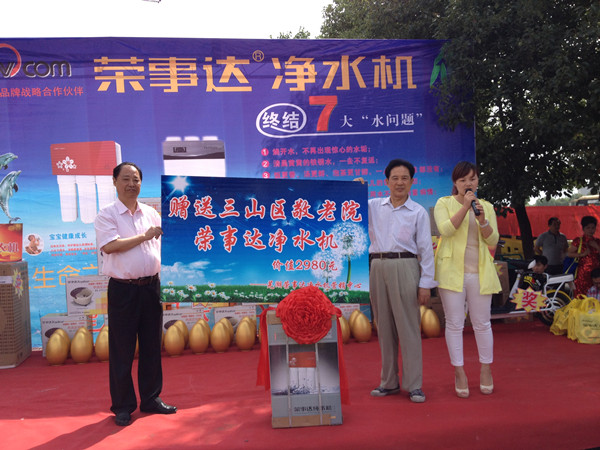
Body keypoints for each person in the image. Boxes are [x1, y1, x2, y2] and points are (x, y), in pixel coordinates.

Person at [94, 162, 176, 427]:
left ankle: (151, 399)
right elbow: (110, 246)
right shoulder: (107, 215)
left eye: (136, 179)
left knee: (152, 346)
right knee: (122, 349)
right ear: (115, 182)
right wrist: (144, 236)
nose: (132, 184)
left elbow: (167, 243)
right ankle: (123, 406)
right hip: (123, 290)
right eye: (126, 179)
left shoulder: (151, 213)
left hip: (151, 287)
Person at [367, 159, 437, 403]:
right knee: (384, 328)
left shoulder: (417, 212)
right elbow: (348, 207)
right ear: (386, 182)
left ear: (412, 182)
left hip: (406, 265)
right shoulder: (373, 206)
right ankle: (389, 382)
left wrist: (425, 283)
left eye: (404, 178)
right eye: (394, 178)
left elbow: (425, 250)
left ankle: (414, 384)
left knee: (408, 328)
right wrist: (355, 188)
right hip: (377, 266)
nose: (399, 182)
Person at [433, 161, 501, 399]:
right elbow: (445, 230)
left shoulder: (486, 207)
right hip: (451, 273)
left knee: (482, 323)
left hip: (480, 273)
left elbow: (493, 240)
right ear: (455, 183)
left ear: (478, 180)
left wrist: (482, 220)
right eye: (463, 180)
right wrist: (464, 207)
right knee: (454, 324)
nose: (468, 183)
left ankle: (486, 369)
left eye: (472, 179)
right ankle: (459, 372)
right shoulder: (444, 203)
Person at [567, 215, 600, 296]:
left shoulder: (598, 241)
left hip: (596, 275)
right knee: (581, 296)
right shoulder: (579, 241)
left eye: (593, 228)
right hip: (582, 275)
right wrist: (582, 254)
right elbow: (568, 254)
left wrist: (597, 247)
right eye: (588, 228)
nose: (591, 230)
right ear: (583, 228)